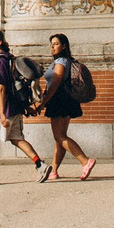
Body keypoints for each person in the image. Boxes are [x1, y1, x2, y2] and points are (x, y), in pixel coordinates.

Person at [0, 29, 45, 185]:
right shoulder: (10, 59)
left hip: (3, 106)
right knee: (17, 138)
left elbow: (1, 88)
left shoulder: (0, 61)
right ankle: (41, 165)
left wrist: (1, 113)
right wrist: (25, 107)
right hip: (15, 107)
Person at [41, 32, 95, 180]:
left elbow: (55, 82)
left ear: (64, 46)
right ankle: (53, 170)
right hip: (65, 99)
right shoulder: (63, 60)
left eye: (56, 44)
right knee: (60, 138)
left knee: (59, 136)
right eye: (51, 44)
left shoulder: (61, 62)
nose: (52, 47)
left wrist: (43, 102)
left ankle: (85, 161)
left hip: (59, 99)